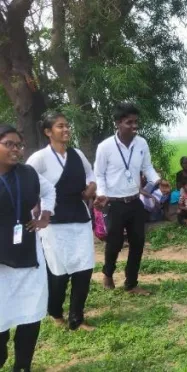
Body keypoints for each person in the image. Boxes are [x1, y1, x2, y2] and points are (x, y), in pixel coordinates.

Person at [25, 113, 97, 332]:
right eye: (60, 126)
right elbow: (26, 182)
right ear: (48, 132)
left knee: (84, 268)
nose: (66, 130)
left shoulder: (77, 154)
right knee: (59, 272)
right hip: (54, 222)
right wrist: (35, 208)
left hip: (79, 216)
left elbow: (90, 173)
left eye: (67, 126)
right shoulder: (39, 158)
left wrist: (92, 186)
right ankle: (55, 311)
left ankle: (77, 318)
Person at [0, 125, 56, 371]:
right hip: (1, 263)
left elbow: (49, 190)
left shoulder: (28, 173)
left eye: (19, 145)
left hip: (28, 257)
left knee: (31, 314)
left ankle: (23, 365)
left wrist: (45, 215)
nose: (16, 150)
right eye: (9, 144)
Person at [93, 102, 160, 295]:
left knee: (138, 243)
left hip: (134, 200)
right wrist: (102, 195)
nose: (134, 126)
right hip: (114, 203)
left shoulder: (141, 143)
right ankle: (108, 273)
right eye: (129, 122)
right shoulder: (105, 147)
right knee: (114, 243)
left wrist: (158, 180)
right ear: (118, 123)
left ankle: (131, 283)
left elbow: (147, 167)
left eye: (136, 122)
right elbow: (99, 175)